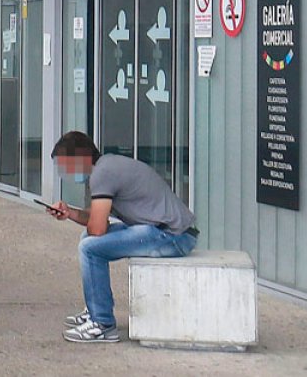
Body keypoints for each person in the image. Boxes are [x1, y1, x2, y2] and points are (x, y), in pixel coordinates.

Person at [45, 131, 198, 343]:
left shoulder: (102, 174)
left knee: (90, 248)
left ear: (80, 158)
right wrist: (69, 212)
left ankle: (103, 324)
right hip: (163, 231)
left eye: (66, 166)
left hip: (173, 236)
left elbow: (98, 229)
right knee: (86, 240)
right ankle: (95, 310)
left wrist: (89, 222)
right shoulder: (106, 167)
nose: (66, 173)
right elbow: (96, 220)